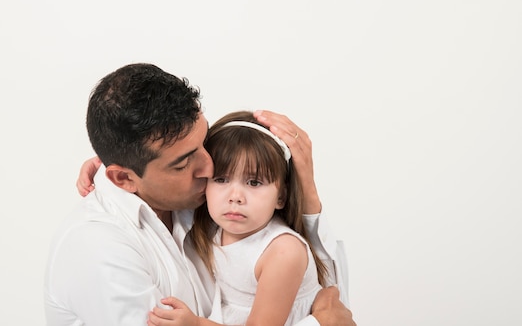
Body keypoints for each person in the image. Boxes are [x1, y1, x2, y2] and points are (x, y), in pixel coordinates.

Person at [45, 63, 354, 326]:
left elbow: (324, 290)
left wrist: (306, 186)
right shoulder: (99, 251)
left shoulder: (209, 205)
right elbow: (330, 312)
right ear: (124, 178)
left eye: (204, 142)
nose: (209, 167)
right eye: (183, 163)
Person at [147, 111, 329, 326]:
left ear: (281, 196)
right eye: (221, 179)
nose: (235, 197)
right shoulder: (211, 224)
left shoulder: (282, 252)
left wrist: (195, 325)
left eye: (253, 182)